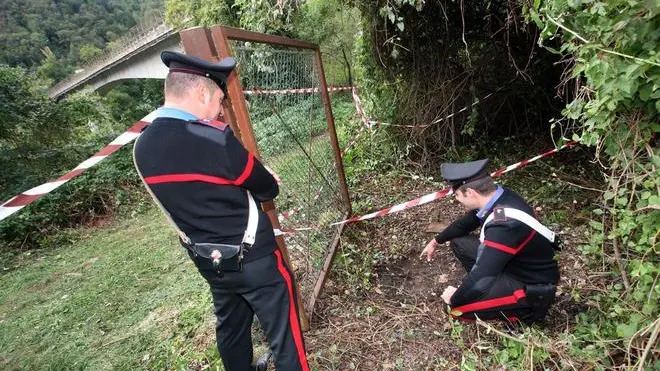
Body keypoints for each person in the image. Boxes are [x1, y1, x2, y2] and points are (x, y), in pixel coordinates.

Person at [133, 51, 310, 371]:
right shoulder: (215, 140)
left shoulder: (142, 148)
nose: (219, 110)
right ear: (201, 93)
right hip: (255, 260)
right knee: (285, 335)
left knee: (230, 330)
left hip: (210, 261)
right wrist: (265, 177)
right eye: (218, 99)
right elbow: (267, 188)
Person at [420, 159, 560, 324]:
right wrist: (437, 241)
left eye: (457, 195)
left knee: (455, 311)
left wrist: (455, 298)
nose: (457, 199)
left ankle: (526, 312)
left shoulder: (504, 226)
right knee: (458, 242)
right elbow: (468, 222)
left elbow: (481, 274)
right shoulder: (500, 196)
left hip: (529, 282)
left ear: (471, 192)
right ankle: (489, 289)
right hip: (511, 263)